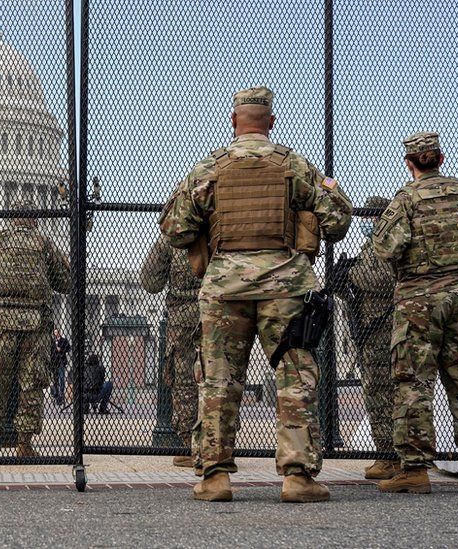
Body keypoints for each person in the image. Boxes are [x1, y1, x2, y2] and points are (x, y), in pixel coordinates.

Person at [159, 86, 352, 503]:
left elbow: (176, 230)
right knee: (294, 376)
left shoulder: (210, 167)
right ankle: (297, 477)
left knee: (218, 380)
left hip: (225, 285)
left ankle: (214, 476)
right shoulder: (295, 165)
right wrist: (332, 190)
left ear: (234, 122)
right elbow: (336, 223)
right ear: (272, 123)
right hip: (285, 284)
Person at [372, 132, 458, 495]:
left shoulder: (406, 198)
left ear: (410, 162)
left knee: (414, 383)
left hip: (419, 298)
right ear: (441, 158)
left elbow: (388, 247)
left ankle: (415, 470)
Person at [0, 200, 71, 457]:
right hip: (35, 324)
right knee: (32, 385)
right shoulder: (44, 244)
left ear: (11, 218)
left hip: (2, 323)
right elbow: (63, 283)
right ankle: (24, 444)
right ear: (33, 218)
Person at [332, 196, 399, 480]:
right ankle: (386, 453)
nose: (366, 224)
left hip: (383, 328)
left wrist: (351, 274)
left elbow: (383, 280)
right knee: (376, 392)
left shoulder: (389, 243)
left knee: (382, 393)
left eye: (370, 218)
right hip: (370, 328)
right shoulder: (372, 245)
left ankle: (390, 456)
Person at [140, 235, 202, 468]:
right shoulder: (220, 223)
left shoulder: (174, 234)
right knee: (219, 377)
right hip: (218, 311)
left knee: (184, 381)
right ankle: (219, 446)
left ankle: (191, 447)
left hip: (182, 316)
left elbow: (150, 282)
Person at [50, 329, 71, 405]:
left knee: (61, 378)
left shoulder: (64, 340)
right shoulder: (52, 341)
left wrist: (61, 349)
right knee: (55, 378)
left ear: (59, 333)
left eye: (57, 332)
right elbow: (51, 351)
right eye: (55, 333)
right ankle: (56, 394)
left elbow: (68, 348)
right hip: (54, 362)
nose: (56, 334)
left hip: (61, 361)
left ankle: (61, 394)